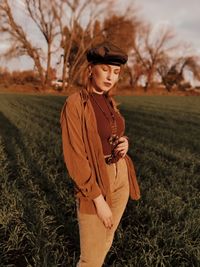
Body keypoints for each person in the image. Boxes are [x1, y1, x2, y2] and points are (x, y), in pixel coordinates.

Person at [60, 41, 141, 267]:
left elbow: (113, 132)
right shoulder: (75, 104)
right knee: (91, 259)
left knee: (105, 241)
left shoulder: (108, 100)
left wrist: (124, 142)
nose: (110, 77)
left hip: (120, 176)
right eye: (105, 69)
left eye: (115, 72)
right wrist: (98, 200)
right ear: (90, 69)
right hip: (96, 182)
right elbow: (75, 156)